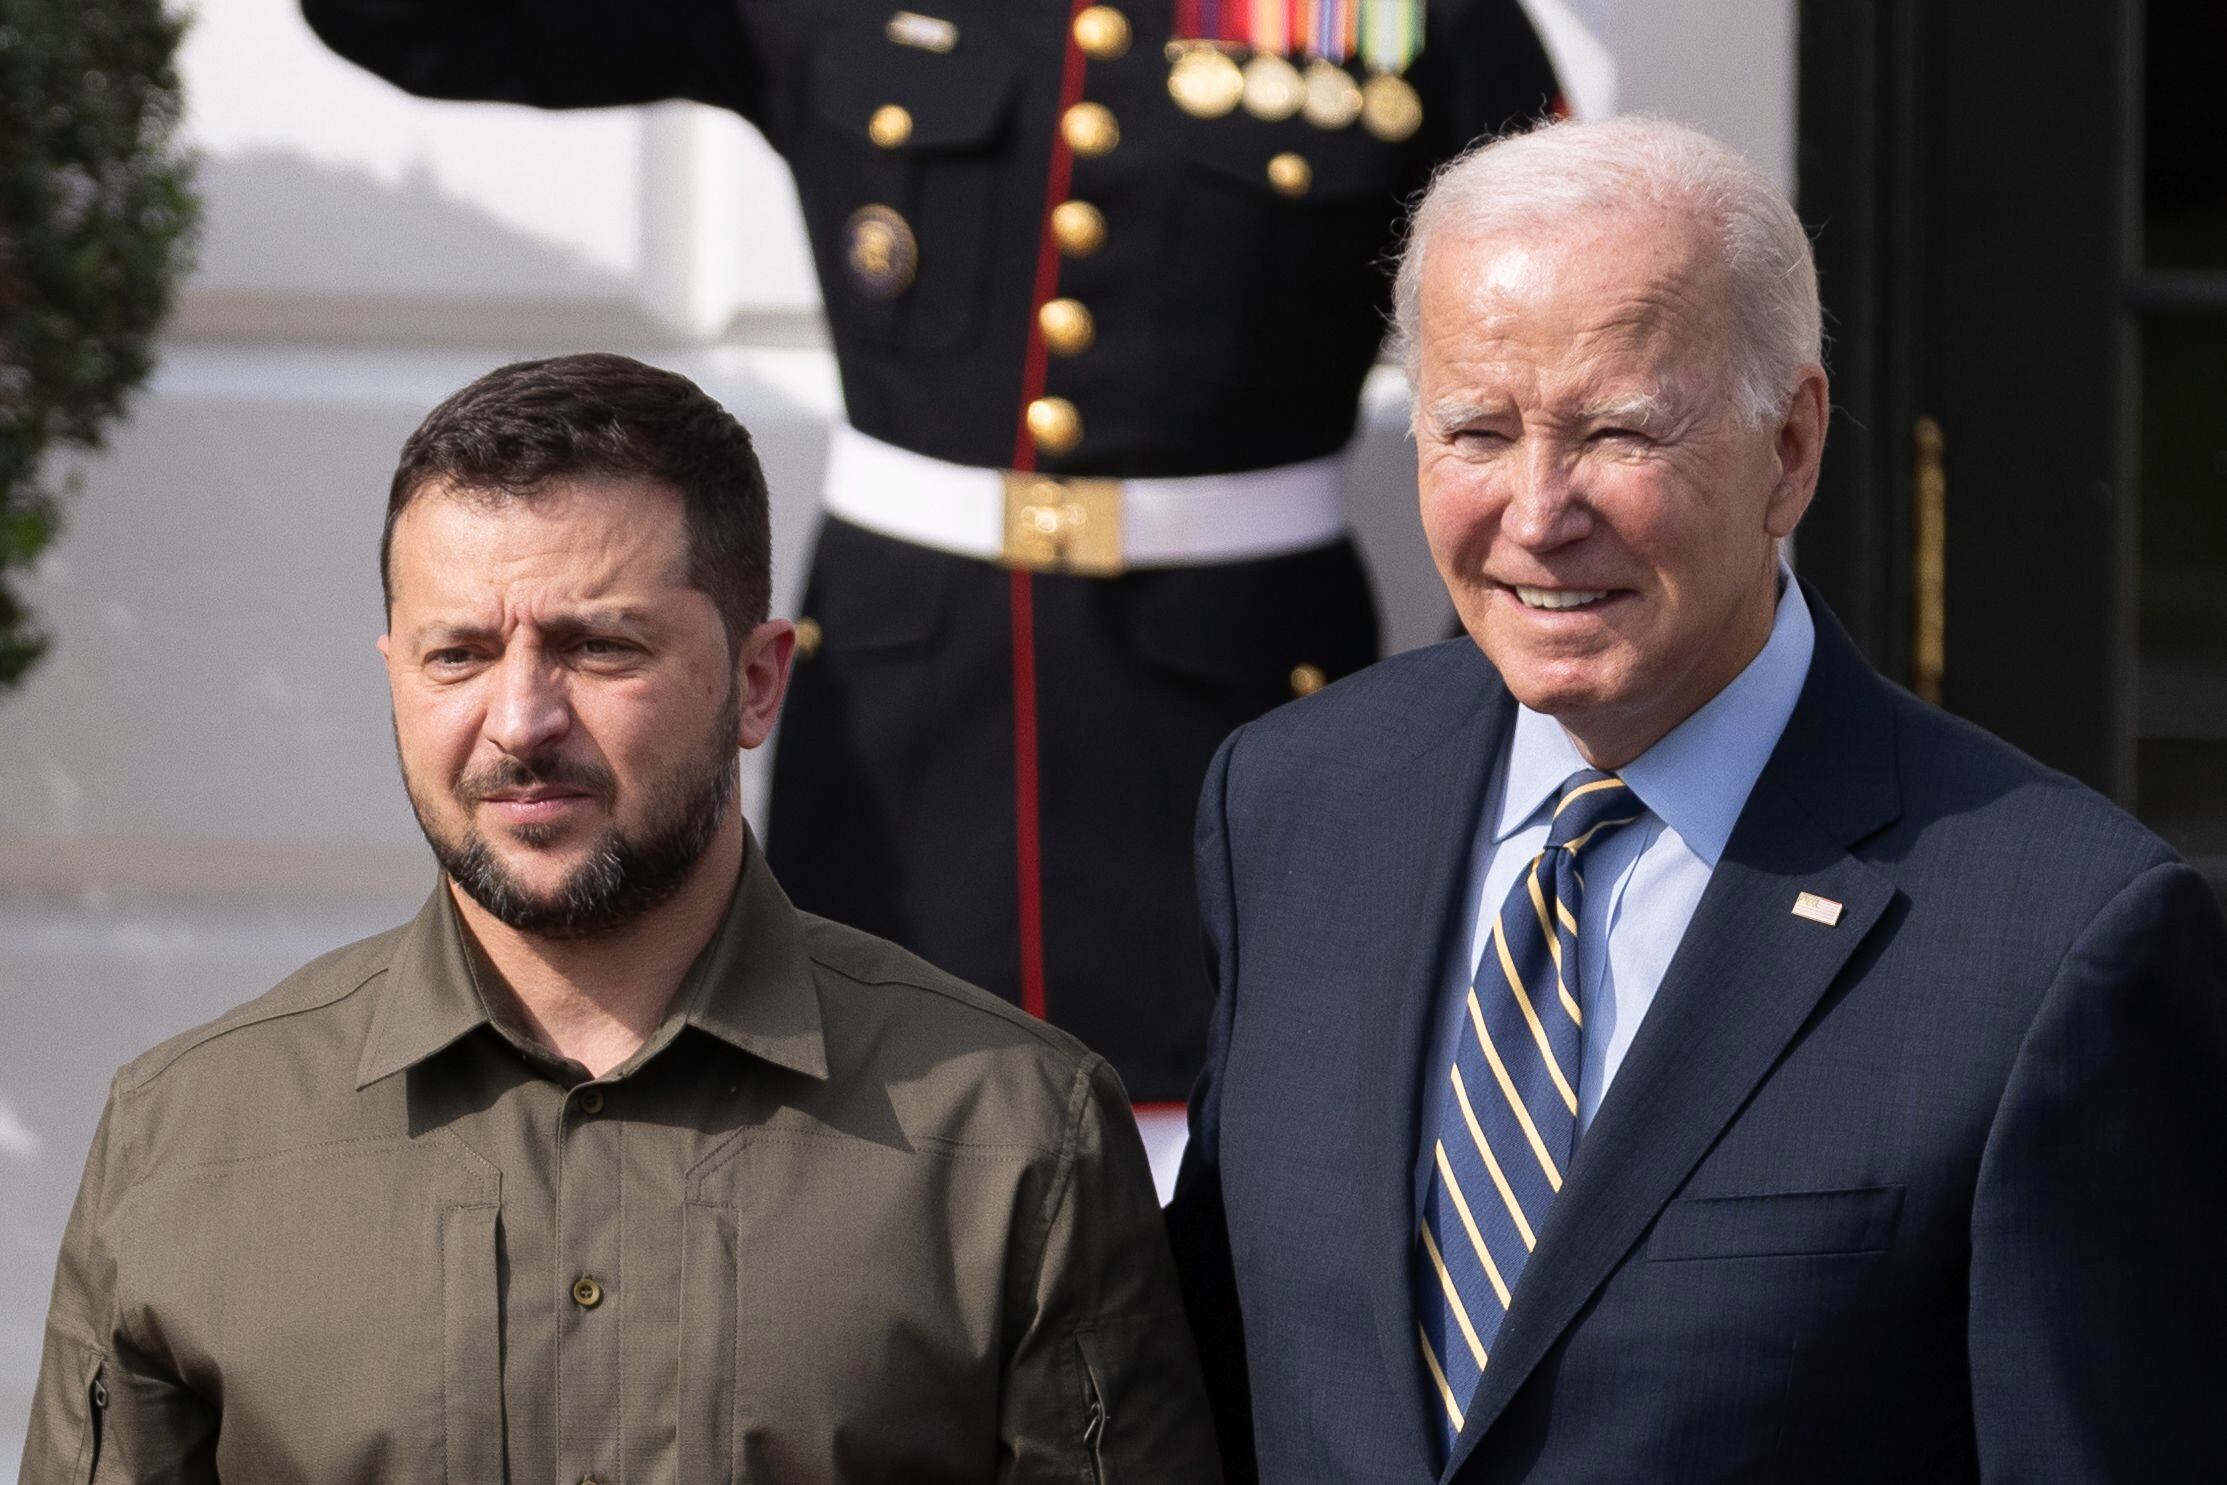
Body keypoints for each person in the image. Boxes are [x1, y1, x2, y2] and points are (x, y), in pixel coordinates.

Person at [1164, 116, 2227, 1482]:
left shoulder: (2053, 936)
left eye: (1614, 431)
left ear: (1786, 445)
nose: (1536, 514)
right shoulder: (1289, 807)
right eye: (1475, 431)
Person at [298, 0, 1563, 1120]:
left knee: (1238, 1176)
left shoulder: (1409, 19)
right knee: (872, 1143)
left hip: (1238, 710)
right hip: (904, 725)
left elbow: (1557, 349)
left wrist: (1470, 725)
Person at [19, 353, 1219, 1484]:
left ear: (757, 681)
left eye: (598, 647)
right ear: (392, 670)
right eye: (459, 654)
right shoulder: (182, 1141)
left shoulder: (1017, 1136)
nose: (519, 719)